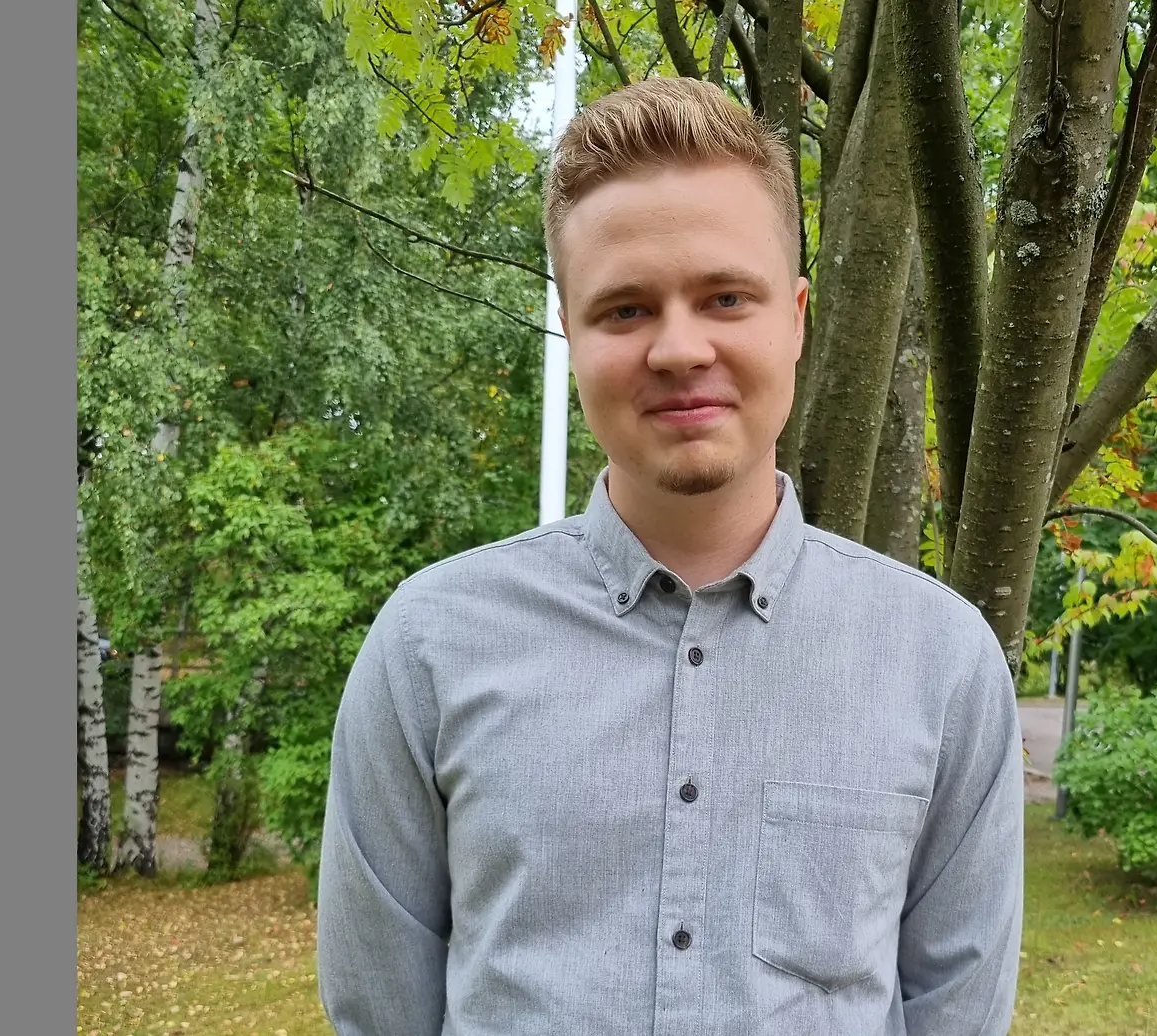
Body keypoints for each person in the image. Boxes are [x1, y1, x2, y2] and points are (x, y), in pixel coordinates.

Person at [316, 75, 1024, 1036]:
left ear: (797, 317)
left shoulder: (942, 663)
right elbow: (378, 1015)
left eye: (726, 297)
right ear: (571, 332)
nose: (680, 349)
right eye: (625, 310)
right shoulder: (428, 648)